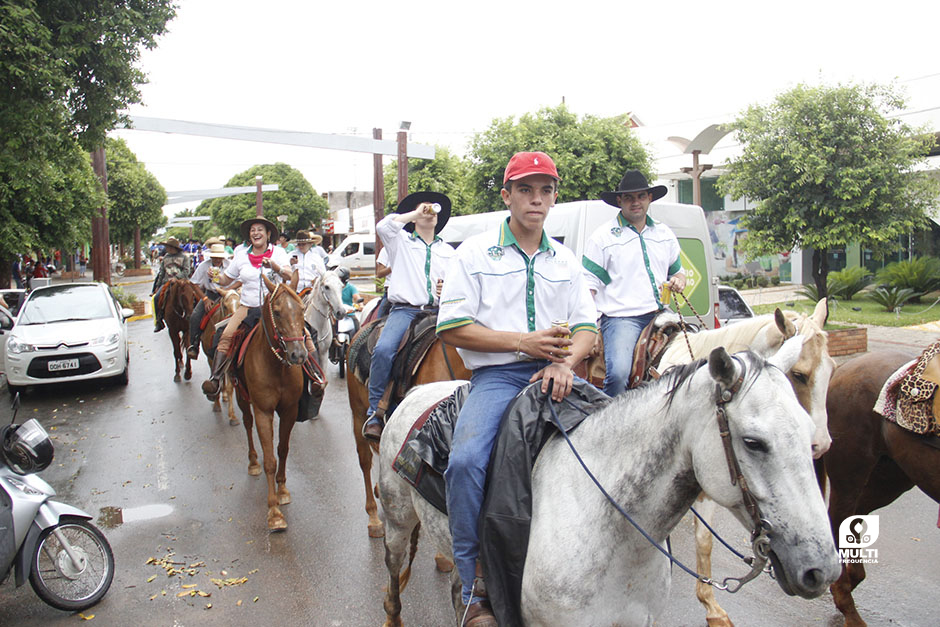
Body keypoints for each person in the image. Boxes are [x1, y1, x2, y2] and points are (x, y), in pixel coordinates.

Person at [436, 152, 597, 624]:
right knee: (465, 463)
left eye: (545, 190)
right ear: (507, 196)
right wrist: (523, 342)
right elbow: (453, 327)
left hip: (559, 373)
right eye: (526, 189)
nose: (537, 199)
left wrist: (566, 361)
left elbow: (587, 325)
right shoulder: (474, 253)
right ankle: (473, 587)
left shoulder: (565, 258)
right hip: (498, 376)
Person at [581, 170, 686, 397]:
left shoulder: (664, 234)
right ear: (619, 201)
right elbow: (587, 287)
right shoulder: (603, 237)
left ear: (649, 198)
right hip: (622, 318)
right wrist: (590, 328)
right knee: (618, 373)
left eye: (640, 196)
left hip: (661, 313)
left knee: (692, 355)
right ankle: (608, 419)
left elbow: (679, 273)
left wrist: (678, 282)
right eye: (629, 197)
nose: (635, 202)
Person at [361, 191, 456, 441]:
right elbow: (384, 227)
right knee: (384, 349)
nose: (429, 212)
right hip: (406, 311)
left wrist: (447, 290)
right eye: (422, 209)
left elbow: (459, 285)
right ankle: (375, 412)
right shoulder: (400, 242)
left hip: (439, 311)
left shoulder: (448, 251)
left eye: (432, 209)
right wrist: (415, 213)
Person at [201, 217, 309, 401]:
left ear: (268, 234)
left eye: (260, 229)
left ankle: (314, 379)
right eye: (252, 230)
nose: (255, 233)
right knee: (225, 335)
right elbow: (227, 280)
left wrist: (274, 266)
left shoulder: (279, 252)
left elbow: (290, 276)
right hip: (247, 307)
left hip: (276, 308)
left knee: (305, 334)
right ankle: (216, 379)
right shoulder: (240, 253)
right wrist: (215, 276)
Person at [186, 243, 231, 359]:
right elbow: (193, 282)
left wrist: (230, 289)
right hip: (210, 295)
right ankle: (193, 345)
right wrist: (205, 299)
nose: (217, 259)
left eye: (219, 257)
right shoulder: (203, 266)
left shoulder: (230, 265)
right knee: (195, 316)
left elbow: (240, 280)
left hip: (228, 295)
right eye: (214, 257)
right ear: (211, 257)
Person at [151, 237, 192, 333]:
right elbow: (161, 272)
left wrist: (177, 278)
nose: (167, 249)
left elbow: (187, 270)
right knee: (157, 298)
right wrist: (158, 286)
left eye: (168, 247)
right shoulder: (166, 257)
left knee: (193, 297)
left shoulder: (184, 257)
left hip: (182, 282)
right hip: (167, 282)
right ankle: (159, 320)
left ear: (173, 247)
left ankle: (194, 317)